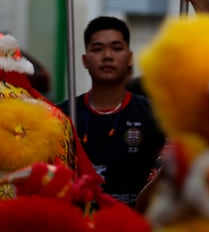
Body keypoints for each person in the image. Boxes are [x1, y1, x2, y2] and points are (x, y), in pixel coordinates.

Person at [58, 17, 166, 211]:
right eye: (97, 49)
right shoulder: (61, 116)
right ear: (84, 60)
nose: (107, 56)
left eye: (116, 48)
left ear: (130, 57)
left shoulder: (156, 115)